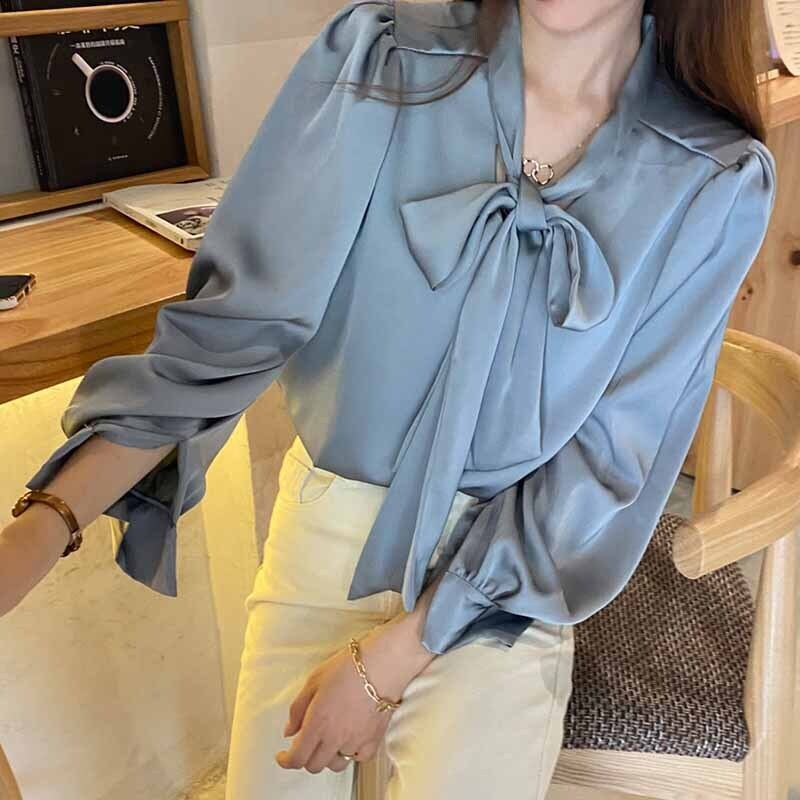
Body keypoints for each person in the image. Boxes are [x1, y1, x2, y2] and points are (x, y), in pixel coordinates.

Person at [1, 0, 777, 797]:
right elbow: (236, 326)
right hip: (325, 536)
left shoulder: (712, 178)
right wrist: (47, 523)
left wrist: (393, 660)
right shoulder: (382, 58)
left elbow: (604, 462)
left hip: (501, 590)